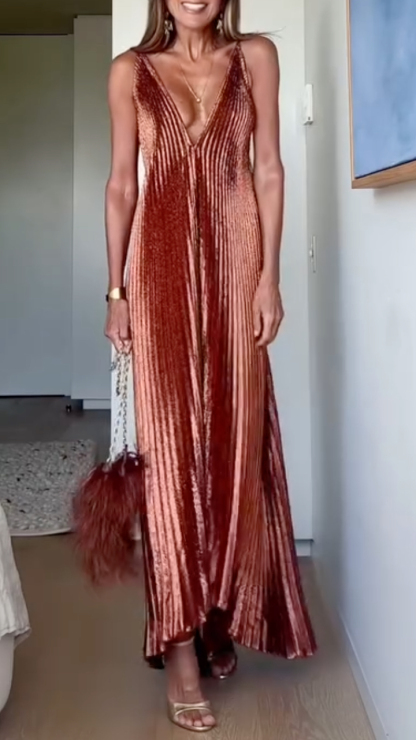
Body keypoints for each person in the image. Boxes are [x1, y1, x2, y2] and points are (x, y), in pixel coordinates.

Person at [104, 0, 316, 731]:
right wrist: (116, 292)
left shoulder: (255, 57)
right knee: (169, 457)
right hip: (158, 276)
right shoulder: (130, 71)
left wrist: (269, 279)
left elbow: (269, 170)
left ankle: (217, 613)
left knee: (234, 445)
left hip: (236, 268)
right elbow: (123, 184)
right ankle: (179, 649)